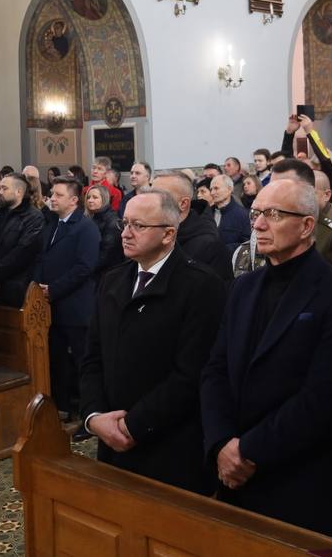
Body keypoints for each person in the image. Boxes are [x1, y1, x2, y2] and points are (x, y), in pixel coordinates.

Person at [200, 178, 332, 537]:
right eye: (256, 213)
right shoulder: (243, 287)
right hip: (234, 474)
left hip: (299, 481)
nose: (258, 224)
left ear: (306, 226)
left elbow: (320, 398)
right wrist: (221, 443)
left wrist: (246, 451)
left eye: (273, 215)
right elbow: (215, 370)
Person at [79, 190, 226, 493]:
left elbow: (190, 375)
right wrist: (94, 416)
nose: (126, 233)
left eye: (138, 226)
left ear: (168, 234)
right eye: (124, 224)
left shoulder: (201, 285)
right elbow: (92, 357)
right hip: (111, 437)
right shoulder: (112, 280)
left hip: (169, 446)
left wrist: (133, 426)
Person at [33, 177, 100, 419]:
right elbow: (42, 258)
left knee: (83, 362)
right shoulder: (52, 223)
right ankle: (61, 409)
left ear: (73, 200)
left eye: (58, 195)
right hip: (51, 306)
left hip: (75, 306)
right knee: (57, 360)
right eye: (52, 193)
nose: (52, 198)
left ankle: (90, 413)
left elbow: (84, 267)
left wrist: (53, 289)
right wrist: (37, 288)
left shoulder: (85, 228)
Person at [152, 172, 232, 282]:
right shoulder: (147, 234)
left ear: (183, 204)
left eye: (160, 196)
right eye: (149, 195)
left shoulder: (210, 247)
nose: (150, 202)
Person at [0, 173, 45, 307]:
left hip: (14, 288)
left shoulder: (34, 218)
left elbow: (20, 255)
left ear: (19, 192)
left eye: (4, 188)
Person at [84, 184, 124, 275]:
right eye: (88, 197)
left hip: (107, 273)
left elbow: (106, 255)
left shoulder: (112, 221)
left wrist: (85, 269)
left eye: (95, 197)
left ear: (104, 199)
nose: (90, 200)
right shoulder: (91, 218)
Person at [209, 174, 250, 252]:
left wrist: (223, 249)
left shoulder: (243, 215)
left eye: (216, 188)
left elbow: (247, 243)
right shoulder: (206, 213)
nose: (212, 192)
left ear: (229, 189)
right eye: (211, 189)